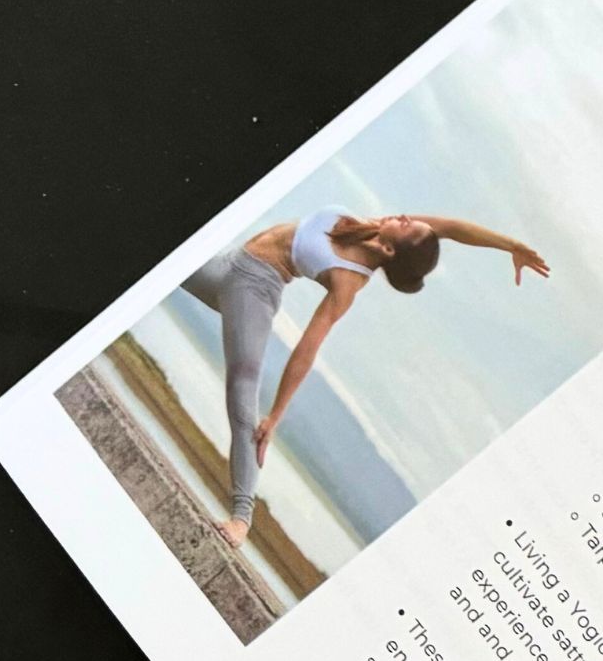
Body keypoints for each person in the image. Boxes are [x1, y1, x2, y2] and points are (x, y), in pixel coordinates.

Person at [184, 208, 550, 546]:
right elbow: (452, 228)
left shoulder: (348, 280)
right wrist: (511, 245)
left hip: (251, 296)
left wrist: (276, 415)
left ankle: (242, 519)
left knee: (242, 395)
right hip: (228, 264)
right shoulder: (372, 227)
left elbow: (307, 348)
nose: (405, 216)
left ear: (390, 250)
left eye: (407, 225)